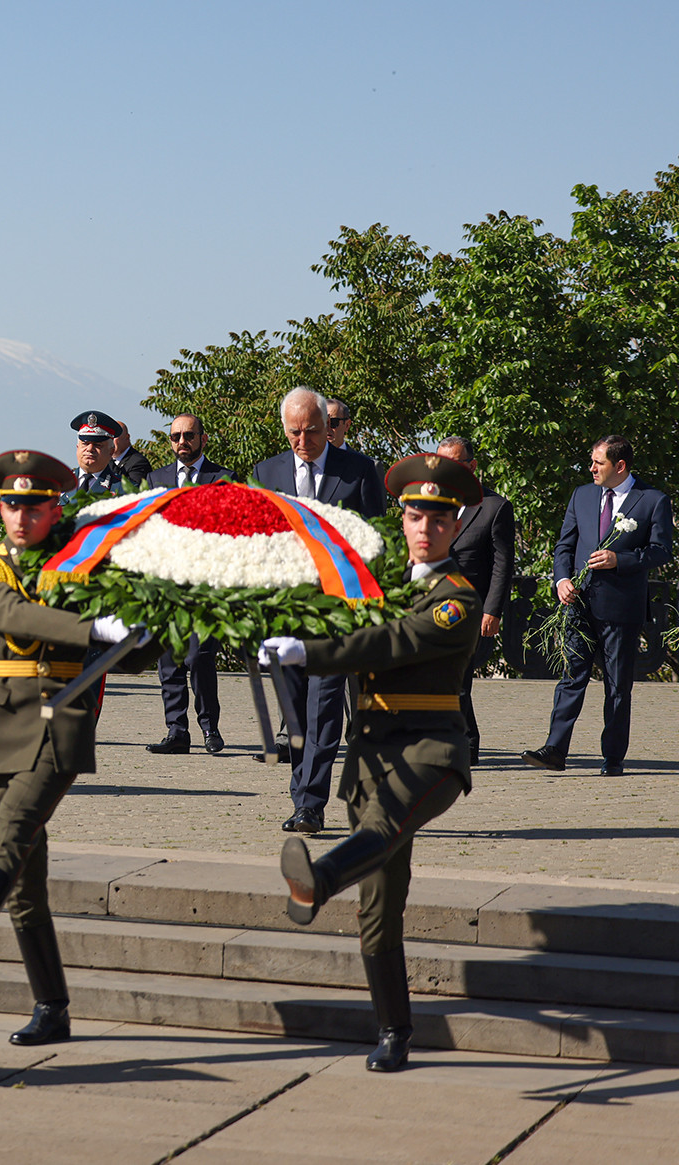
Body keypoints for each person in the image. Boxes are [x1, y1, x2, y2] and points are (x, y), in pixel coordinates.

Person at [0, 450, 159, 1045]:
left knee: (7, 837)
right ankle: (52, 1006)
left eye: (34, 505)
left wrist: (149, 620)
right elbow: (10, 615)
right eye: (11, 505)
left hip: (61, 719)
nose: (21, 516)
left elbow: (140, 655)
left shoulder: (89, 566)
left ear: (57, 507)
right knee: (24, 880)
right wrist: (93, 627)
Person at [269, 452, 486, 1072]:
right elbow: (334, 612)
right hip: (370, 753)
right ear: (403, 518)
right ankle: (393, 1030)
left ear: (454, 523)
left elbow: (390, 642)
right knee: (379, 907)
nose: (425, 527)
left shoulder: (456, 599)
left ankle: (318, 880)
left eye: (438, 518)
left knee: (383, 827)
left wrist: (309, 653)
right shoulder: (377, 584)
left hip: (430, 752)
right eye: (416, 515)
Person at [251, 387, 385, 833]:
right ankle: (301, 789)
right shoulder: (266, 472)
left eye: (311, 430)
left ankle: (309, 802)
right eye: (294, 432)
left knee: (324, 705)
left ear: (328, 427)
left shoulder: (359, 471)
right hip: (284, 612)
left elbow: (376, 540)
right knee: (294, 707)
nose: (302, 440)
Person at [522, 436, 673, 776]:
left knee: (617, 686)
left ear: (619, 466)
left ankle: (613, 758)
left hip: (621, 610)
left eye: (598, 463)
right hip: (578, 605)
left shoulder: (653, 500)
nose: (591, 468)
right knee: (571, 677)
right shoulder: (582, 495)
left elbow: (661, 551)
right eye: (591, 461)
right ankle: (555, 750)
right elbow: (564, 546)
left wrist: (620, 559)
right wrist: (561, 580)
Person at [144, 414, 229, 755]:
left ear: (203, 439)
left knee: (200, 657)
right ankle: (176, 731)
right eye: (176, 436)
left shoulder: (222, 478)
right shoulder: (156, 479)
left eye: (189, 435)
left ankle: (210, 727)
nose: (182, 441)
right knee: (168, 661)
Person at [436, 437, 515, 763]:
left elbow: (503, 565)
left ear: (471, 466)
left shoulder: (494, 508)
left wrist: (492, 610)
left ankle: (465, 746)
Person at [66, 411, 140, 494]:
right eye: (85, 444)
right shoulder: (59, 484)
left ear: (111, 451)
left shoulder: (125, 490)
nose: (90, 449)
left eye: (97, 445)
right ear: (77, 447)